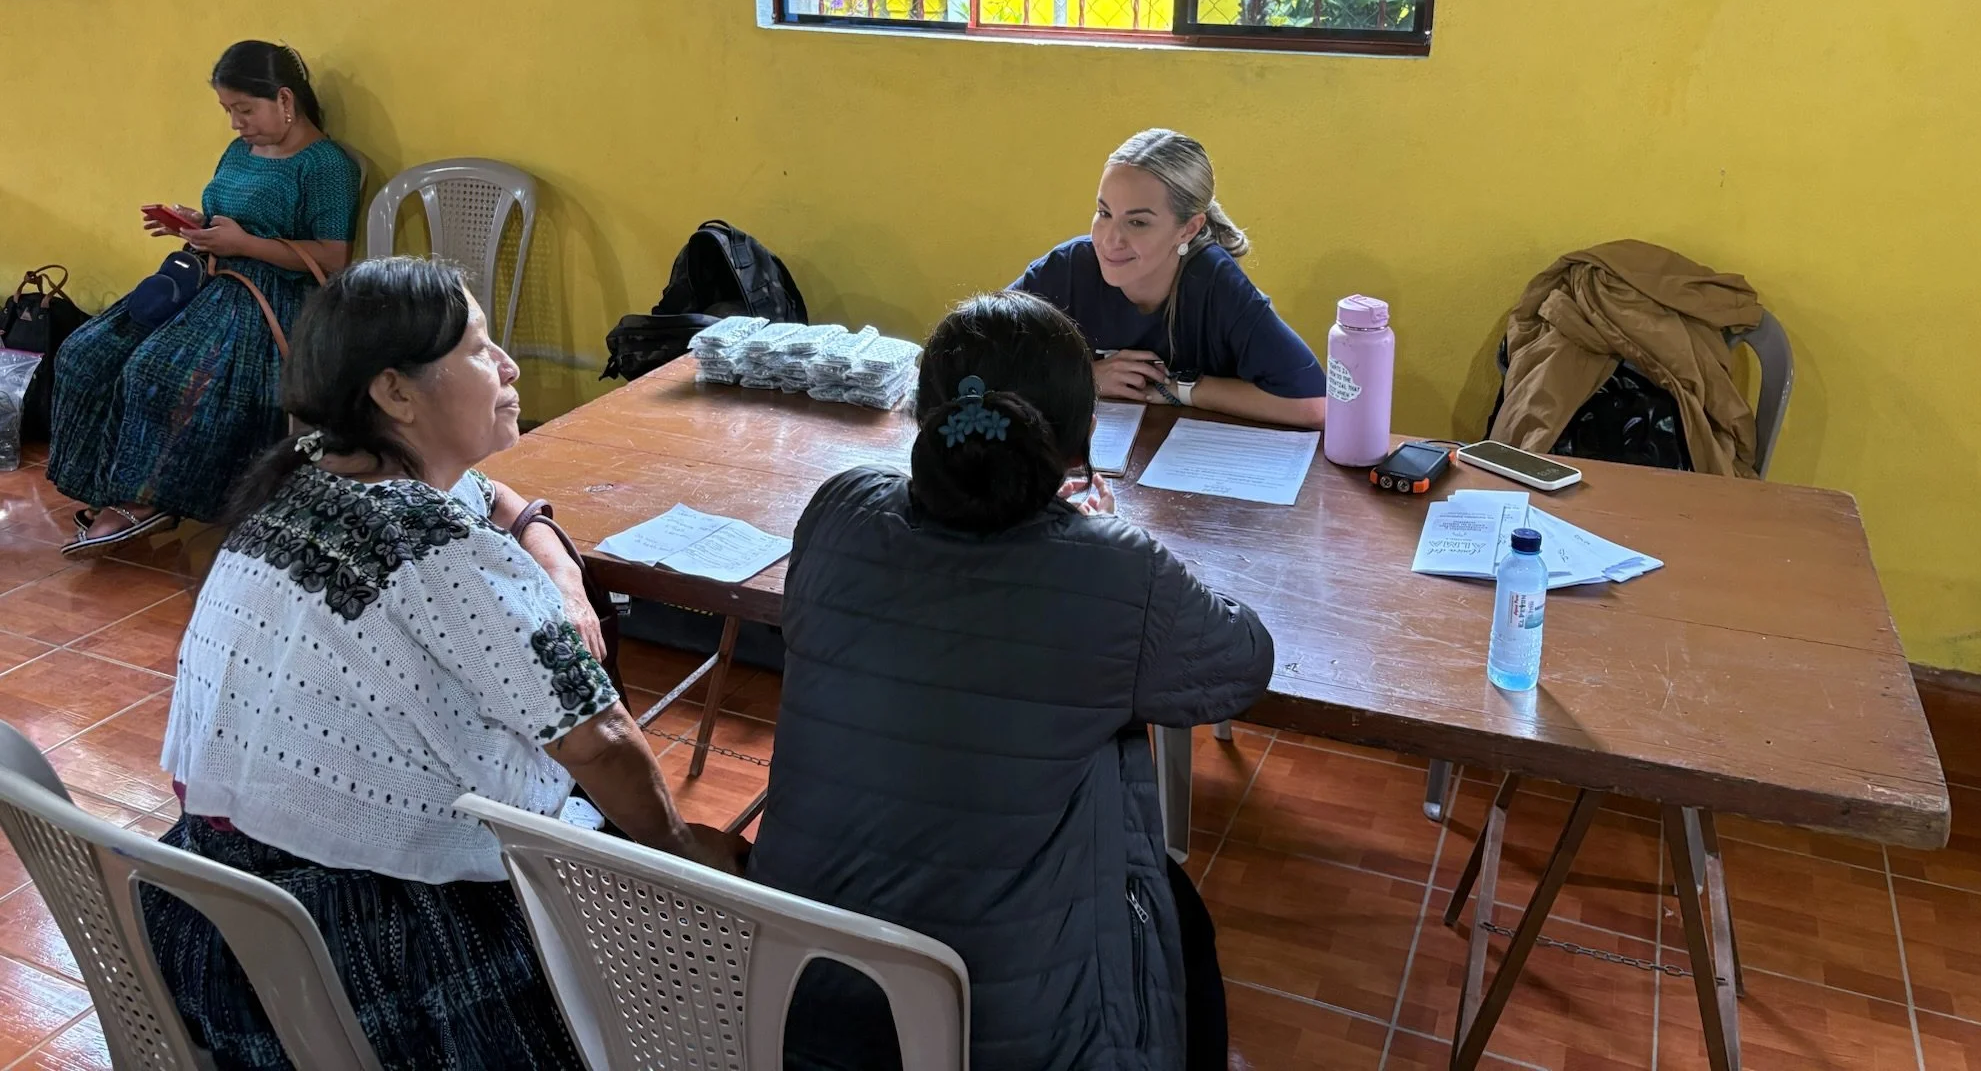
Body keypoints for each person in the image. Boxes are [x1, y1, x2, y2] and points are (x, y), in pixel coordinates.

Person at [145, 257, 741, 1070]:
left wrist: (549, 551)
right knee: (678, 901)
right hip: (368, 943)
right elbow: (600, 742)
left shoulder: (302, 482)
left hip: (216, 912)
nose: (508, 367)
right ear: (395, 393)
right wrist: (675, 854)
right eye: (478, 348)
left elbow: (483, 494)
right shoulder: (437, 550)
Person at [750, 291, 1274, 1071]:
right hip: (1023, 1040)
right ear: (1083, 437)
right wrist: (1105, 534)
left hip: (804, 1007)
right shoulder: (1113, 570)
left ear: (921, 416)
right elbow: (1243, 662)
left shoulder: (837, 512)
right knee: (1176, 914)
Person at [49, 41, 362, 552]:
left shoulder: (324, 165)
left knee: (156, 370)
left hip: (269, 298)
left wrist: (245, 244)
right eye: (228, 111)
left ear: (285, 100)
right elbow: (227, 213)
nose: (236, 124)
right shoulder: (241, 151)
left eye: (245, 109)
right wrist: (196, 225)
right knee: (86, 353)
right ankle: (106, 488)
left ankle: (148, 498)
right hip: (208, 278)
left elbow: (333, 257)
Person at [1013, 128, 1326, 430]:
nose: (1111, 240)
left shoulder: (1213, 280)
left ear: (1188, 229)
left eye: (1137, 222)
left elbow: (1314, 404)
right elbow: (971, 359)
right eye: (1104, 213)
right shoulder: (1067, 268)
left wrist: (1180, 389)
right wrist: (1084, 378)